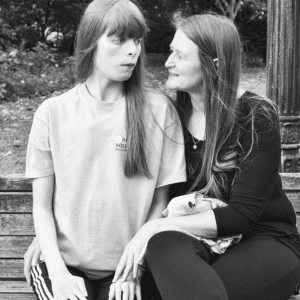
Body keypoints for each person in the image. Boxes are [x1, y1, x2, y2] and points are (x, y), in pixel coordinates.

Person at [111, 13, 300, 300]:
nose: (167, 62)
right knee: (162, 245)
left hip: (263, 239)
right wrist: (51, 235)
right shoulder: (171, 116)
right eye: (171, 51)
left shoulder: (255, 115)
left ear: (214, 65)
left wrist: (158, 225)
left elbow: (242, 217)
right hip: (196, 239)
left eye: (179, 55)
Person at [24, 1, 186, 299]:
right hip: (64, 266)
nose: (132, 50)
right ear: (90, 41)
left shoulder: (159, 111)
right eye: (119, 39)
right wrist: (58, 274)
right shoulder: (53, 113)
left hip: (130, 267)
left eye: (137, 40)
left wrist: (133, 269)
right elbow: (42, 206)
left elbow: (160, 204)